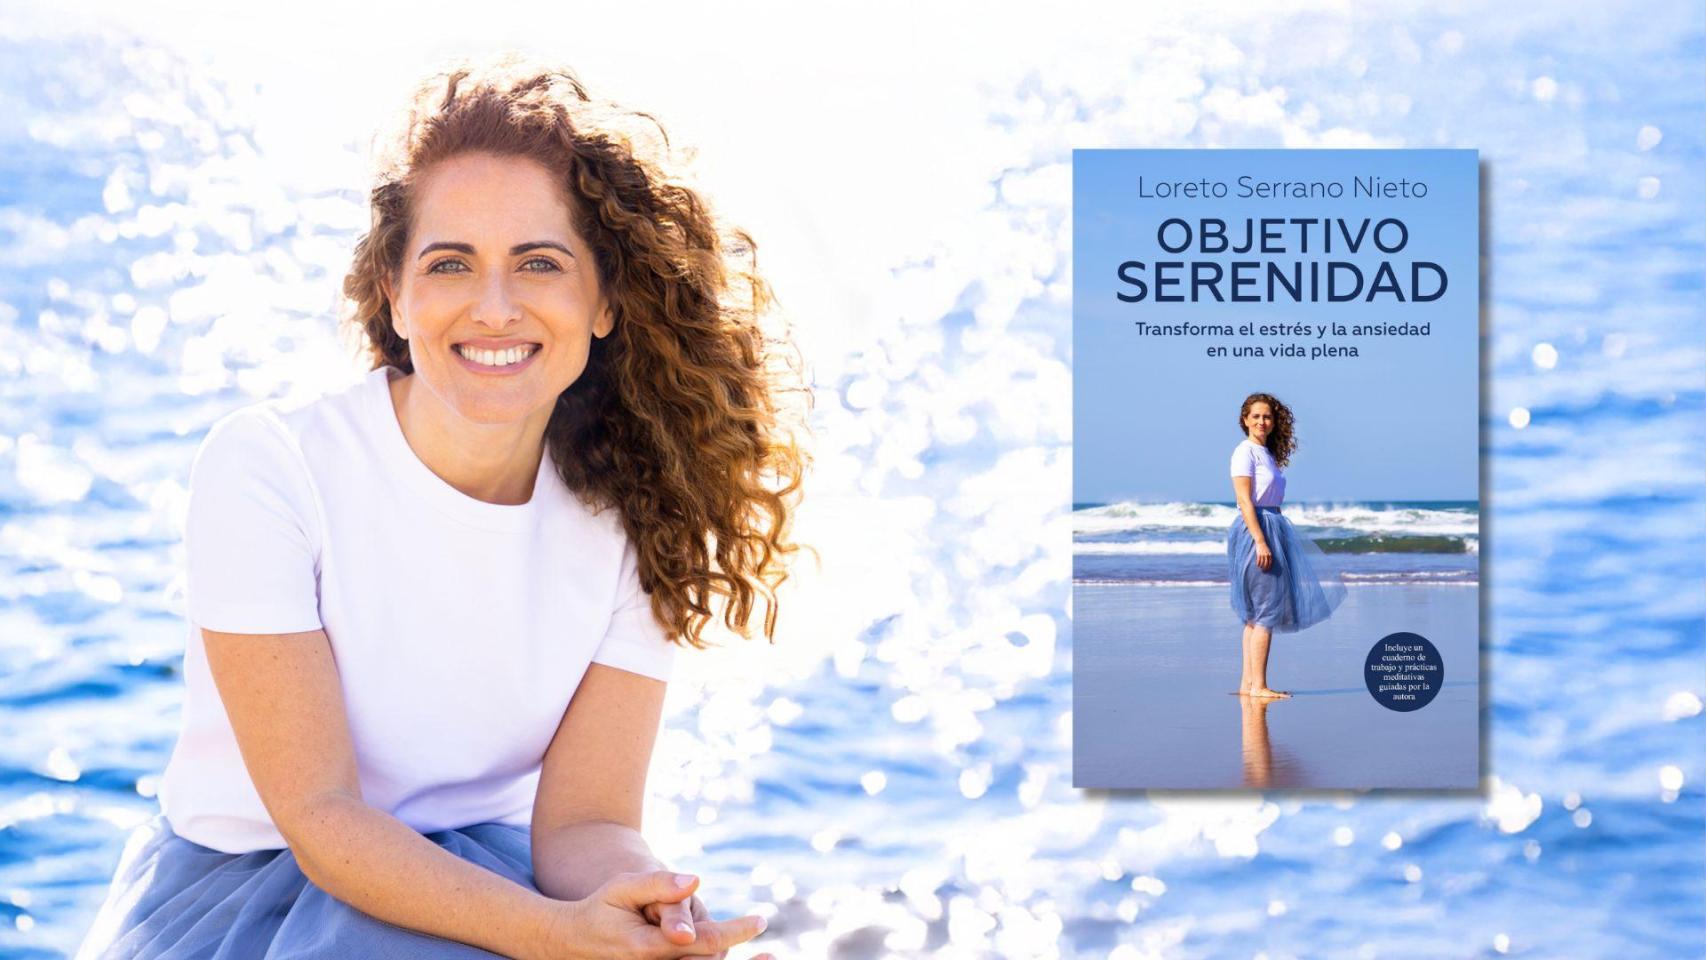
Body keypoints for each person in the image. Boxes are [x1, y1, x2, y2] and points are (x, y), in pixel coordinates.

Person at [77, 56, 803, 960]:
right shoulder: (270, 468)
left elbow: (584, 825)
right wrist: (555, 934)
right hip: (254, 888)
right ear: (396, 292)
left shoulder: (635, 518)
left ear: (608, 299)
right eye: (450, 263)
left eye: (540, 263)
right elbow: (320, 816)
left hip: (493, 882)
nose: (493, 308)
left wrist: (648, 910)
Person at [1226, 392, 1343, 699]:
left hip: (1273, 525)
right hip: (1258, 529)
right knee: (1265, 609)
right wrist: (1261, 541)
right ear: (1245, 420)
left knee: (1256, 614)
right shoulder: (1245, 452)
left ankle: (1248, 685)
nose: (1262, 421)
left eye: (1267, 416)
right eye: (1256, 416)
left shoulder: (1266, 454)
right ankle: (1259, 686)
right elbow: (1244, 500)